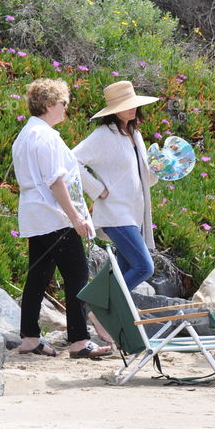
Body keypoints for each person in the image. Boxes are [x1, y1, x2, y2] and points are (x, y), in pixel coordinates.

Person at [10, 78, 111, 359]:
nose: (66, 108)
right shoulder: (46, 137)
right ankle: (79, 340)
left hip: (34, 215)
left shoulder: (25, 135)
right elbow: (56, 181)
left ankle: (29, 336)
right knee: (77, 274)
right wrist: (76, 217)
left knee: (38, 276)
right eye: (63, 103)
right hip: (55, 217)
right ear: (50, 105)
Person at [73, 81, 159, 291]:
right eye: (125, 105)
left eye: (133, 103)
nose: (132, 108)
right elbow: (71, 160)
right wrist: (96, 189)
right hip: (115, 214)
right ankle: (102, 307)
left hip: (134, 214)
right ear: (113, 110)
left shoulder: (136, 135)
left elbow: (141, 178)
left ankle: (100, 313)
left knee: (123, 270)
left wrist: (160, 170)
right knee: (144, 267)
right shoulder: (103, 135)